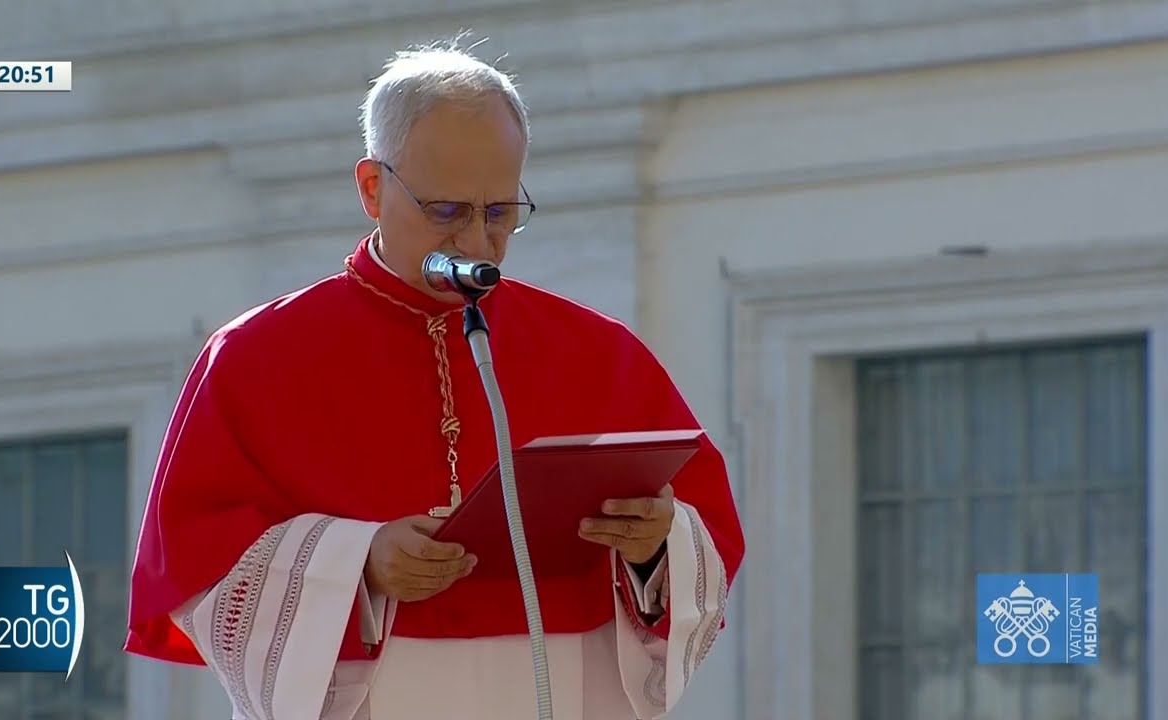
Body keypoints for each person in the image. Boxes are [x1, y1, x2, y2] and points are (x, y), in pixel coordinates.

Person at [124, 38, 745, 720]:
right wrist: (357, 562)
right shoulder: (255, 357)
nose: (477, 243)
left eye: (500, 213)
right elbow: (193, 558)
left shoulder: (599, 352)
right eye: (447, 213)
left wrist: (654, 544)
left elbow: (704, 529)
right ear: (371, 187)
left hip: (563, 687)